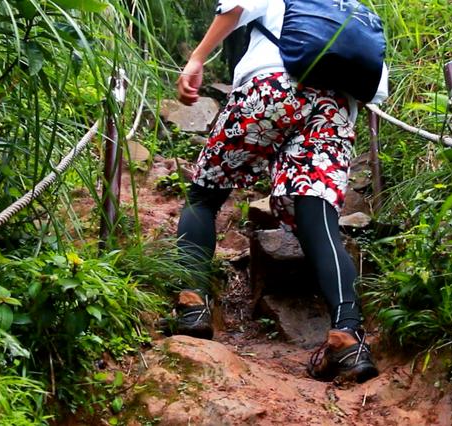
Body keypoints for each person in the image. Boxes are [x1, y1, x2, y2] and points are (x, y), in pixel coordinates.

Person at [170, 0, 388, 384]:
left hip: (271, 87)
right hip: (334, 105)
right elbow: (376, 88)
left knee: (203, 196)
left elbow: (236, 6)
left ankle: (193, 307)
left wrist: (197, 58)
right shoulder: (359, 14)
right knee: (318, 217)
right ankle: (349, 339)